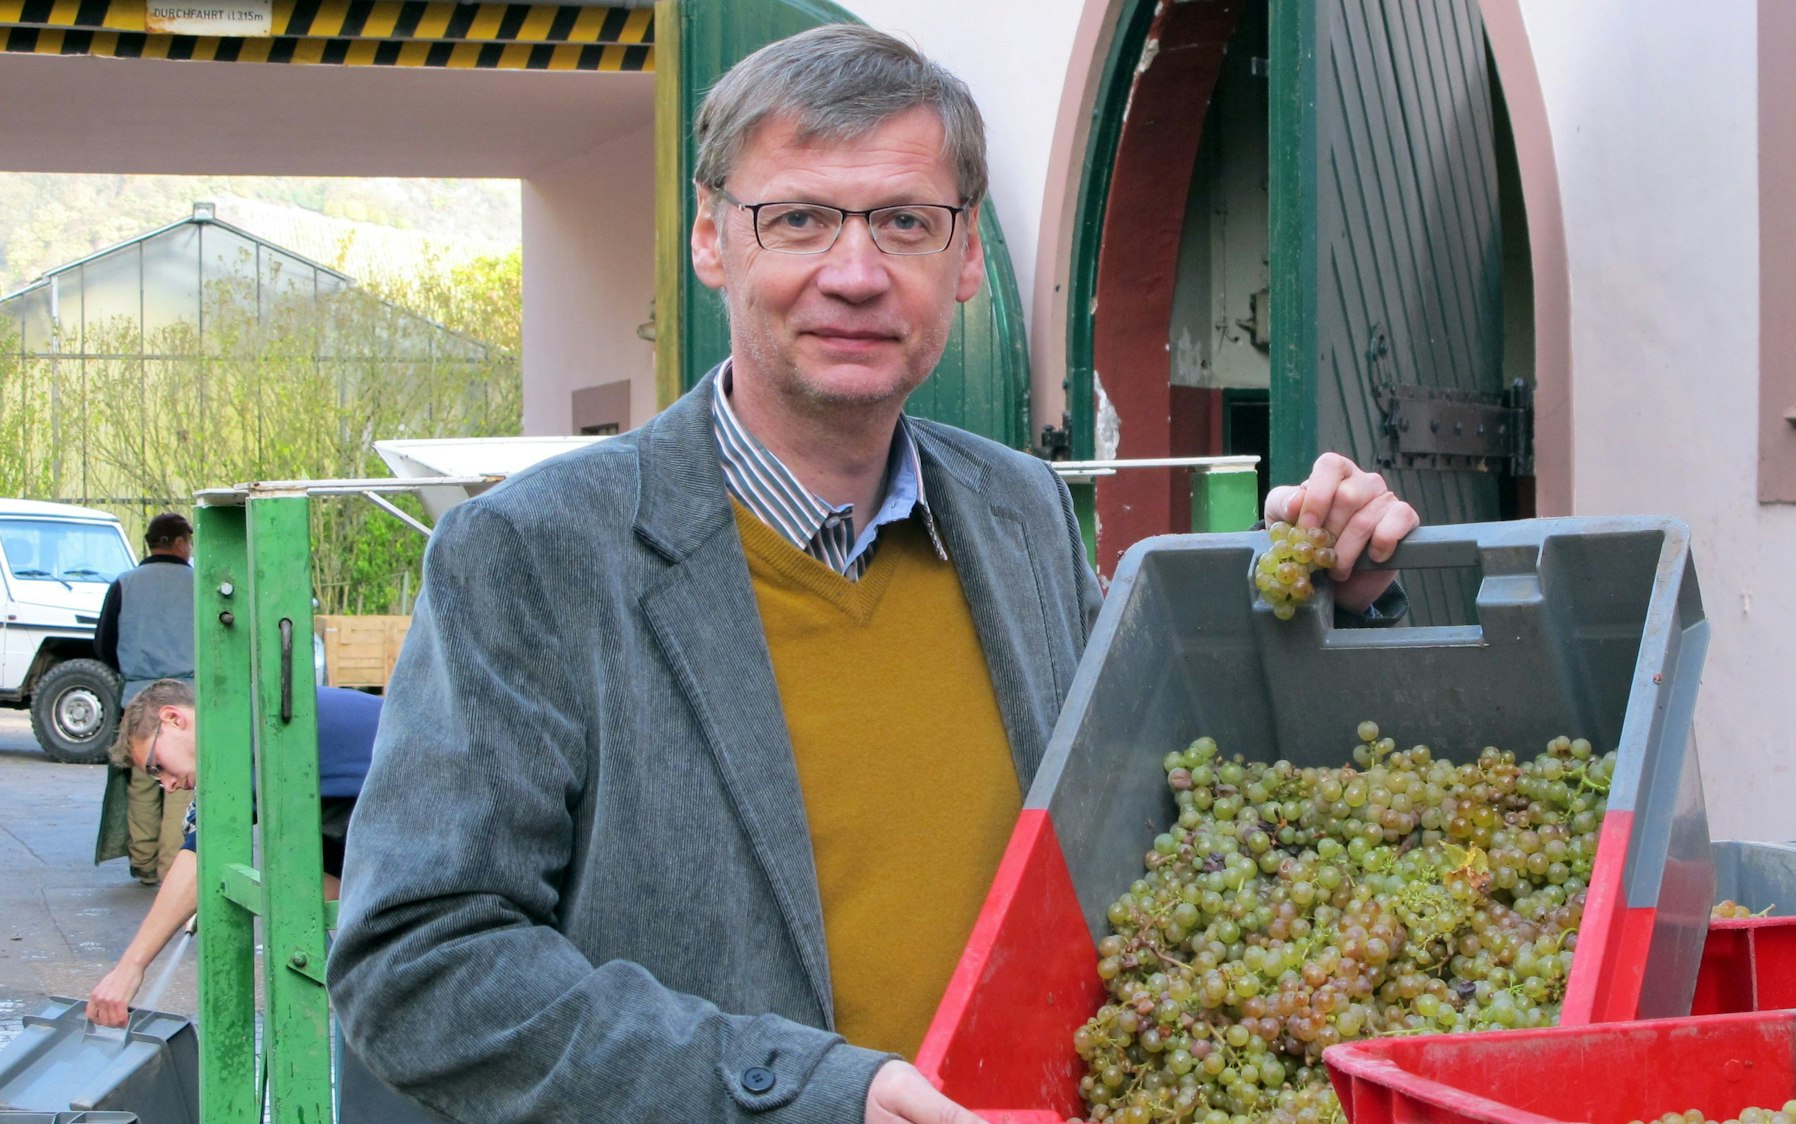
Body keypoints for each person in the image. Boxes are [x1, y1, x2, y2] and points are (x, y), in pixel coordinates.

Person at [327, 24, 1420, 1124]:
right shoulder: (533, 556)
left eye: (905, 221)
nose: (855, 275)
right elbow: (417, 963)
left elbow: (1168, 789)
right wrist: (803, 1094)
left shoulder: (1022, 513)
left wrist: (1336, 605)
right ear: (712, 238)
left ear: (967, 256)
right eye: (799, 218)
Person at [86, 678, 382, 1028]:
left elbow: (203, 853)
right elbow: (330, 881)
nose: (167, 785)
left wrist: (129, 968)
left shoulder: (247, 729)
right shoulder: (257, 719)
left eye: (157, 766)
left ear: (173, 719)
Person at [93, 511, 195, 886]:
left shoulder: (124, 583)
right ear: (180, 542)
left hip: (136, 697)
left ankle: (144, 862)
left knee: (143, 780)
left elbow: (104, 644)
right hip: (187, 700)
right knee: (180, 785)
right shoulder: (200, 583)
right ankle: (171, 867)